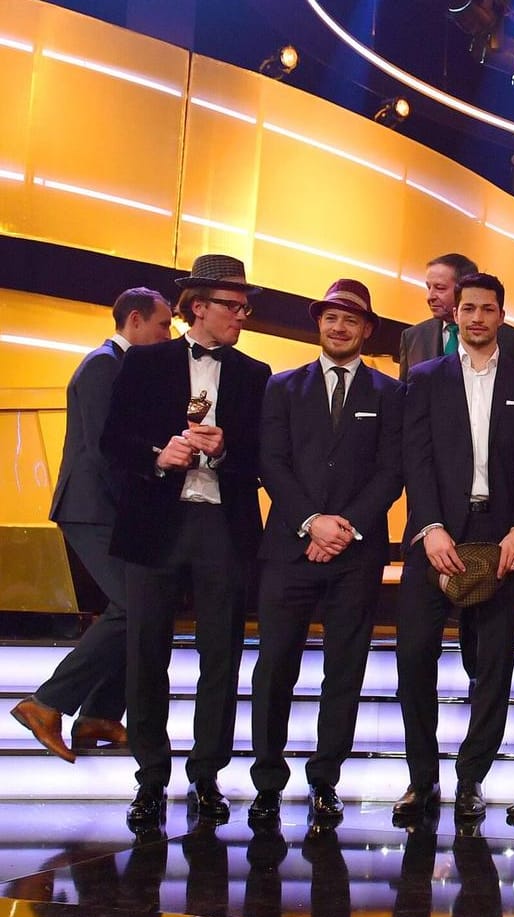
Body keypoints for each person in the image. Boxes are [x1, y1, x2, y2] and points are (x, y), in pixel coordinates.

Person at [102, 255, 272, 830]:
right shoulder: (146, 363)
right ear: (198, 306)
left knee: (220, 656)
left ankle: (206, 776)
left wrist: (223, 451)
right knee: (146, 653)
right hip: (157, 522)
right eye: (233, 306)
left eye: (246, 308)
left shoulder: (255, 373)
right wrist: (159, 456)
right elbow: (112, 442)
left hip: (222, 526)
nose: (241, 318)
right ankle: (150, 778)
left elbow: (264, 459)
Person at [248, 278, 404, 827]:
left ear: (366, 329)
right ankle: (267, 782)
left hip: (356, 556)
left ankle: (324, 783)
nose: (339, 328)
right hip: (289, 550)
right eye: (331, 318)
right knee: (274, 670)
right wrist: (313, 524)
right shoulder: (282, 388)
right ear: (319, 324)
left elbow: (393, 471)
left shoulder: (390, 394)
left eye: (351, 320)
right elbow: (272, 462)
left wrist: (346, 528)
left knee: (345, 672)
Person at [394, 272, 514, 825]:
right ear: (453, 315)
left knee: (496, 665)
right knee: (413, 659)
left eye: (488, 309)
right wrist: (428, 526)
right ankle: (421, 779)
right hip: (435, 535)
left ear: (502, 316)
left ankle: (471, 779)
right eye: (468, 308)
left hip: (502, 534)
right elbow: (416, 458)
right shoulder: (425, 378)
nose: (477, 318)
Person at [11, 287, 169, 761]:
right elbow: (105, 449)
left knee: (139, 607)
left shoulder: (121, 367)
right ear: (135, 321)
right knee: (131, 606)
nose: (168, 334)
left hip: (106, 508)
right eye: (163, 325)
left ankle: (99, 714)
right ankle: (46, 703)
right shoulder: (103, 365)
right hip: (91, 507)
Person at [400, 252, 514, 371]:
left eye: (440, 288)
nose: (430, 297)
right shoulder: (412, 337)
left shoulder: (510, 339)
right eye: (429, 287)